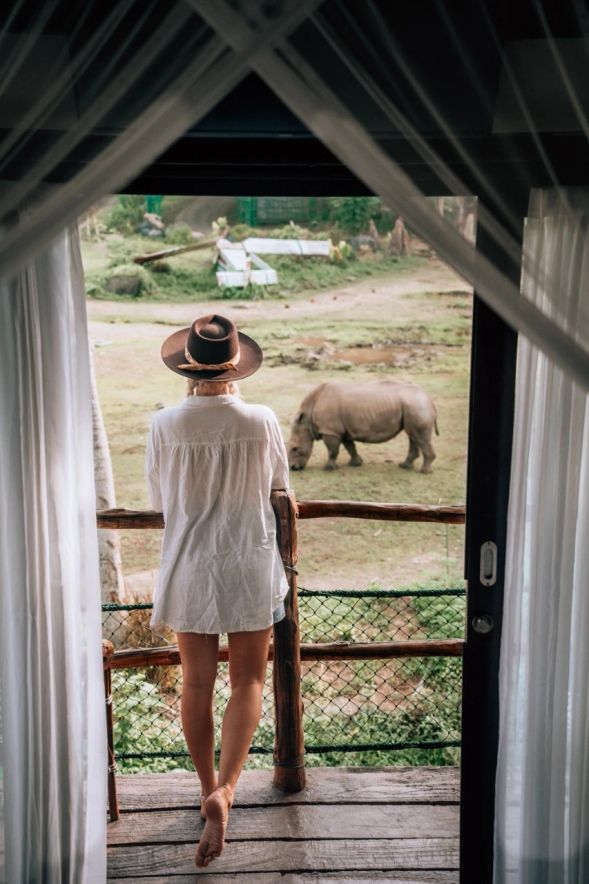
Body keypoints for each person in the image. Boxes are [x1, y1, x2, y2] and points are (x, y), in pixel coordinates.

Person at [145, 313, 290, 868]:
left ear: (187, 366)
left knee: (196, 683)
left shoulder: (164, 424)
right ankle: (226, 790)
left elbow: (160, 500)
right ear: (237, 368)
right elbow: (281, 488)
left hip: (188, 567)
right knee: (249, 678)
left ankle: (204, 783)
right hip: (248, 562)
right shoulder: (262, 420)